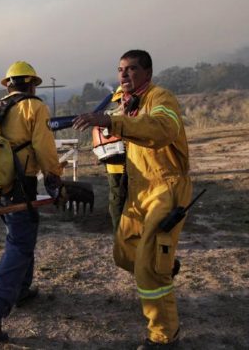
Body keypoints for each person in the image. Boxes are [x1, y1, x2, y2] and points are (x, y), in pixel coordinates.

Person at [73, 50, 192, 349]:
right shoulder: (126, 104)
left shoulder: (161, 98)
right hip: (139, 190)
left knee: (149, 267)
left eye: (132, 69)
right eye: (120, 69)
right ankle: (162, 265)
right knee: (124, 254)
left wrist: (113, 123)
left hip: (165, 188)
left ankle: (165, 336)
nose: (124, 75)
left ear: (148, 73)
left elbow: (162, 130)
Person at [0, 61, 63, 343]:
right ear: (32, 84)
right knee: (20, 245)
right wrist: (54, 177)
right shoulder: (34, 107)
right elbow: (45, 146)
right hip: (20, 187)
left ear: (8, 84)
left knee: (22, 236)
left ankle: (21, 289)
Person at [92, 86, 127, 232]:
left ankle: (120, 233)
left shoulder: (109, 117)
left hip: (114, 166)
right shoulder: (134, 116)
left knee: (117, 201)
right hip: (129, 167)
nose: (120, 103)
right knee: (125, 201)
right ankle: (124, 234)